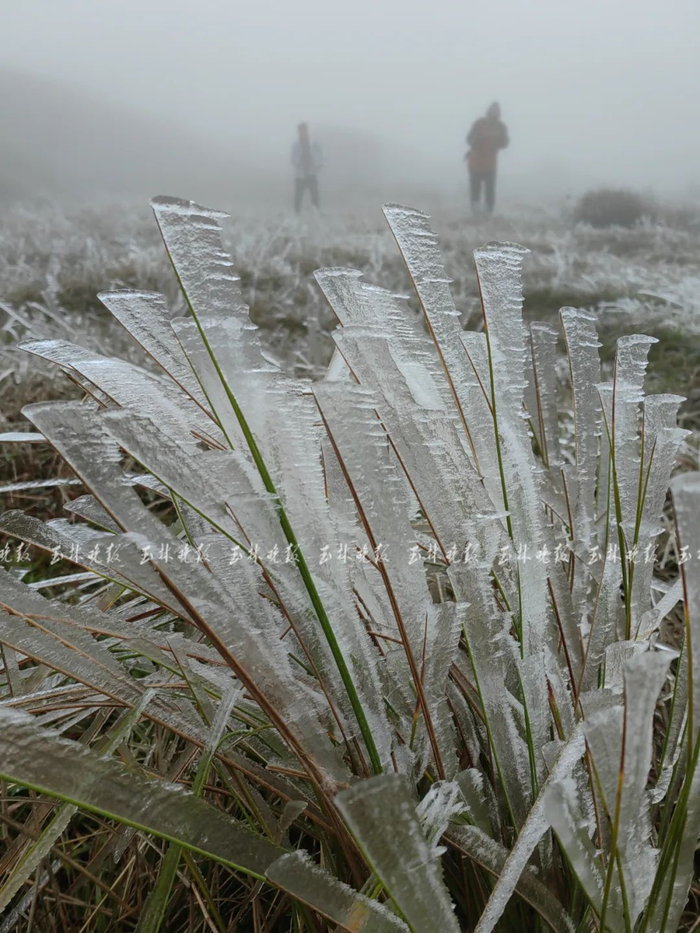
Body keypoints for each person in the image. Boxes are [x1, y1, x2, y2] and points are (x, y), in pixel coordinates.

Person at [465, 102, 509, 214]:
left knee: (490, 191)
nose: (495, 114)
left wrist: (501, 141)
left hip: (490, 164)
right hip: (476, 162)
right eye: (493, 111)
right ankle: (475, 213)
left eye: (497, 112)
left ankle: (488, 213)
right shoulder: (479, 124)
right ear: (488, 112)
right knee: (476, 189)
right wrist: (477, 140)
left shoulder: (501, 127)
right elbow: (469, 139)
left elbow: (505, 143)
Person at [291, 123, 323, 213]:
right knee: (298, 196)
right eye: (301, 131)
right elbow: (292, 159)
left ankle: (316, 213)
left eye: (304, 130)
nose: (303, 133)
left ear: (307, 131)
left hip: (312, 173)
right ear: (298, 132)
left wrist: (319, 164)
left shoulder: (314, 143)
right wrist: (298, 163)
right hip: (300, 174)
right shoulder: (295, 145)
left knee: (315, 195)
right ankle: (297, 214)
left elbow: (320, 155)